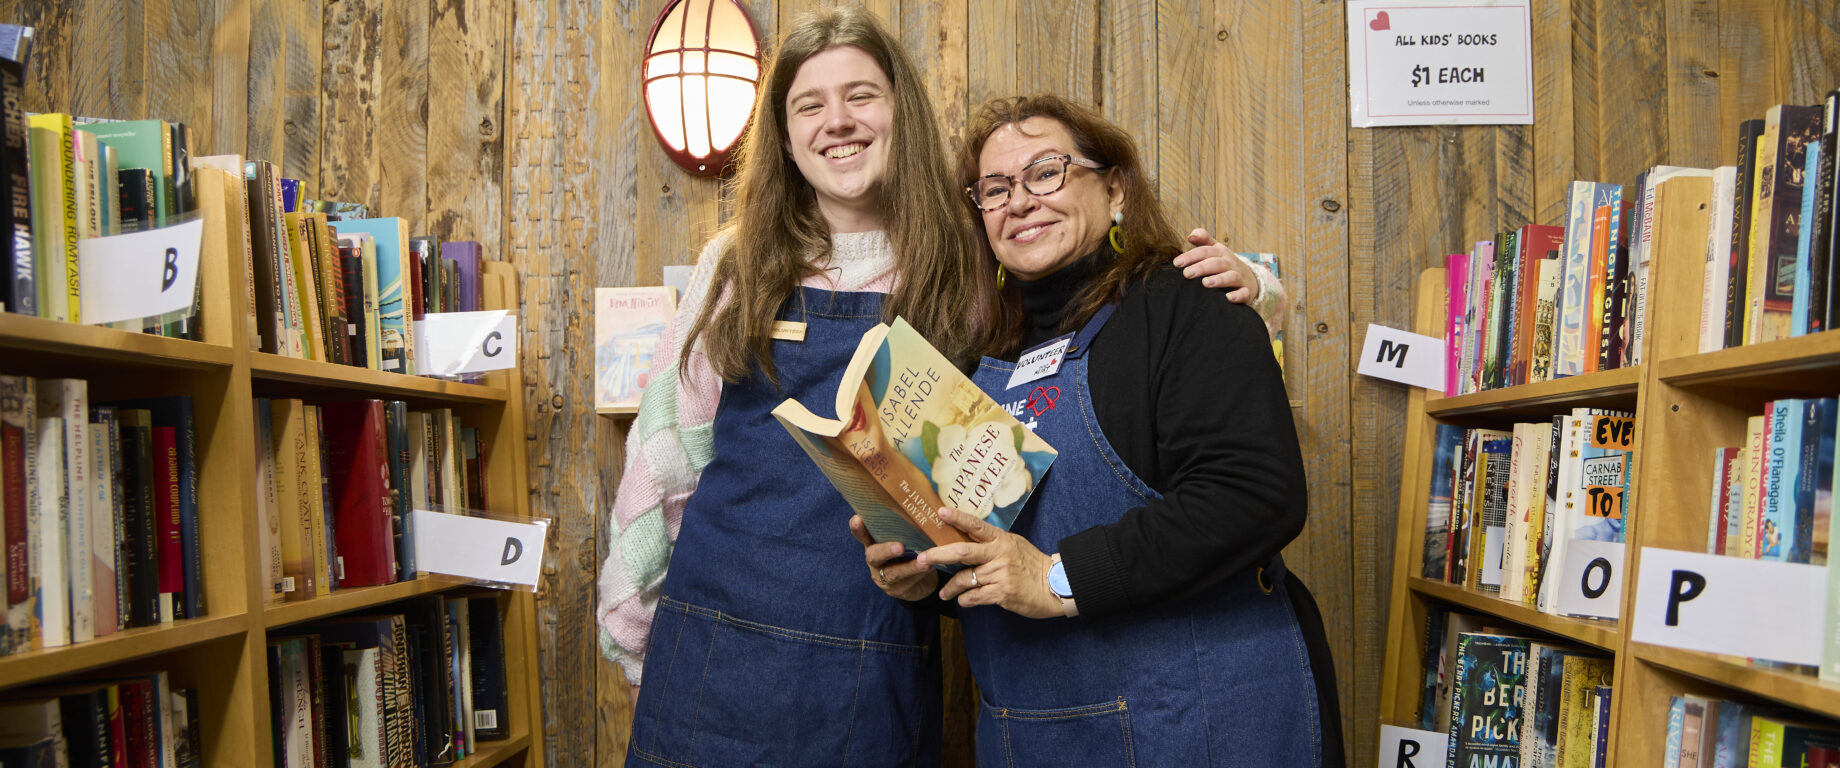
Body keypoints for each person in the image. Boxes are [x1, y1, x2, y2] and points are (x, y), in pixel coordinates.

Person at [594, 8, 1285, 766]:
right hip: (708, 655)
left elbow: (1108, 293)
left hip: (875, 658)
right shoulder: (735, 263)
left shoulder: (966, 266)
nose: (837, 122)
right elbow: (661, 461)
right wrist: (633, 638)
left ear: (903, 114)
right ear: (784, 139)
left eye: (861, 95)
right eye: (808, 105)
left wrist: (1259, 284)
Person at [856, 93, 1344, 767]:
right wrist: (923, 575)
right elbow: (996, 557)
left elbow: (1255, 494)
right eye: (994, 189)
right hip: (1035, 734)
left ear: (1114, 188)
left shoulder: (1189, 304)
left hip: (1196, 724)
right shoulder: (975, 361)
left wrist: (1057, 579)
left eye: (1046, 171)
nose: (1018, 200)